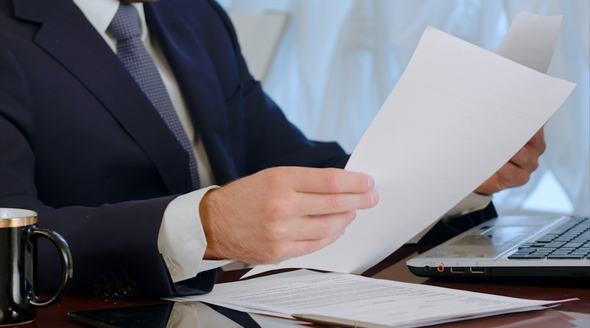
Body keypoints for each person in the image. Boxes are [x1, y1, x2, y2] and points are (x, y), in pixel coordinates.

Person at [0, 0, 545, 298]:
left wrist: (462, 173)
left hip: (259, 305)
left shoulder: (194, 16)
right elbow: (12, 249)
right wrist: (205, 227)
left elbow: (302, 164)